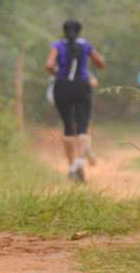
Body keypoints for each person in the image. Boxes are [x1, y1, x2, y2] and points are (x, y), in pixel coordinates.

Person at [45, 20, 106, 182]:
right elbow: (100, 64)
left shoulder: (57, 45)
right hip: (82, 87)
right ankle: (79, 163)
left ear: (63, 31)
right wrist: (96, 63)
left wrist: (57, 74)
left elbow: (49, 65)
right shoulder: (86, 45)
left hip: (62, 87)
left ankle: (72, 165)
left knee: (67, 127)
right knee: (82, 127)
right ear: (80, 31)